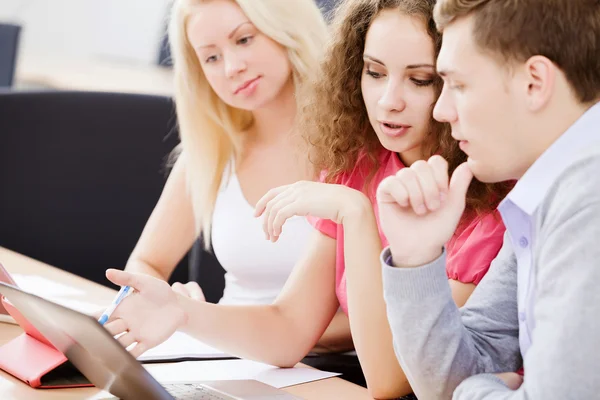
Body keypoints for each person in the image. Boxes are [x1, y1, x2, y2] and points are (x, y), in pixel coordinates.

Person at [101, 0, 511, 398]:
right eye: (374, 72)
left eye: (419, 80)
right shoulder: (363, 162)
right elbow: (288, 329)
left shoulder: (487, 201)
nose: (389, 101)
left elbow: (391, 379)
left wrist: (356, 214)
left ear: (455, 80)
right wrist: (183, 312)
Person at [377, 0, 600, 399]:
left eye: (458, 85)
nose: (442, 111)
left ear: (534, 82)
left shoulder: (590, 199)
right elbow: (452, 377)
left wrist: (476, 391)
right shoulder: (549, 191)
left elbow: (463, 386)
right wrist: (416, 259)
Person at [121, 0, 355, 350]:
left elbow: (381, 317)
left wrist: (210, 322)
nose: (232, 67)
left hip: (324, 370)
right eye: (211, 58)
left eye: (244, 40)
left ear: (286, 28)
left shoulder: (356, 149)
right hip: (222, 355)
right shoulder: (211, 155)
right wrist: (171, 302)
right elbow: (146, 262)